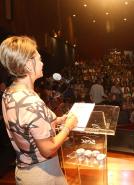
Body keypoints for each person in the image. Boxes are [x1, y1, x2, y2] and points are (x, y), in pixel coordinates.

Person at [0, 36, 77, 185]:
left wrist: (59, 120)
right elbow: (47, 149)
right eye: (39, 59)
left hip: (24, 170)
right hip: (43, 174)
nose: (42, 63)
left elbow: (27, 125)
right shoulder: (31, 102)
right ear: (29, 65)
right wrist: (68, 127)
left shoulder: (10, 93)